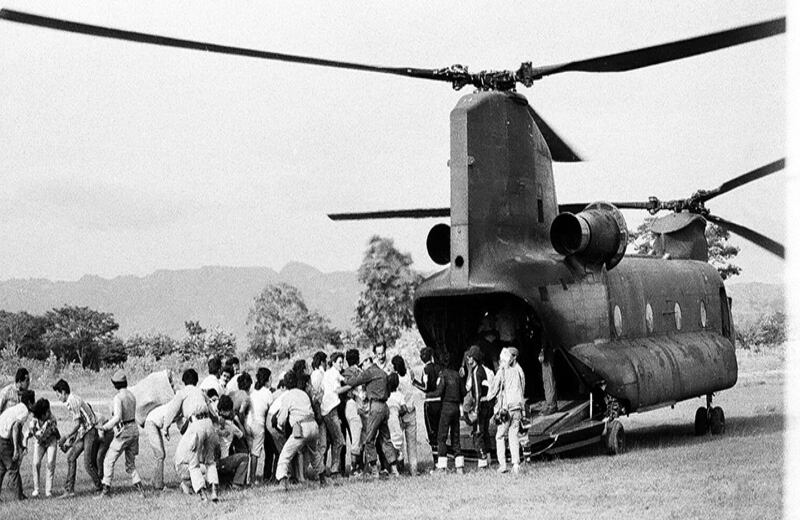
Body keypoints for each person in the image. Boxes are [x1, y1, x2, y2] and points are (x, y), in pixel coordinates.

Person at [164, 368, 220, 502]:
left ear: (184, 381)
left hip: (196, 425)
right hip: (208, 424)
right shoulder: (201, 392)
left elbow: (172, 411)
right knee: (210, 461)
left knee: (193, 462)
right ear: (196, 381)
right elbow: (213, 413)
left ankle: (202, 495)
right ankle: (214, 492)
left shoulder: (182, 393)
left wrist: (165, 427)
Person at [343, 355, 400, 477]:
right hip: (385, 407)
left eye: (362, 365)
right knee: (386, 439)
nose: (362, 368)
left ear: (365, 363)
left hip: (375, 407)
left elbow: (353, 381)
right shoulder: (382, 372)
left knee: (369, 439)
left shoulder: (369, 372)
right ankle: (394, 469)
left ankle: (374, 470)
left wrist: (345, 379)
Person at [96, 371, 145, 498]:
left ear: (116, 384)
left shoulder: (118, 398)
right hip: (134, 430)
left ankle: (106, 491)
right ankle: (141, 491)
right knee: (130, 464)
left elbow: (117, 417)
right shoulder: (131, 396)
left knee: (108, 460)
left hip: (124, 432)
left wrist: (105, 427)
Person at [274, 370, 325, 489]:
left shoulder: (287, 396)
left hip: (301, 428)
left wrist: (280, 427)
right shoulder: (303, 394)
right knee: (315, 453)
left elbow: (282, 419)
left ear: (285, 385)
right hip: (314, 426)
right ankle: (323, 479)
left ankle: (282, 482)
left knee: (285, 455)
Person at [53, 378, 103, 497]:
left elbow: (77, 424)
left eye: (58, 394)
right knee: (71, 458)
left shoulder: (72, 401)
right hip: (85, 432)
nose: (58, 397)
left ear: (64, 392)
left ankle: (101, 487)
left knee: (88, 464)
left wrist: (65, 436)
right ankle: (69, 490)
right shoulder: (71, 400)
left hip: (90, 431)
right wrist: (69, 443)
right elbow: (80, 426)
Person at [488, 347, 526, 474]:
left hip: (506, 409)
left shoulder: (501, 372)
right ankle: (516, 464)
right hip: (517, 408)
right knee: (513, 435)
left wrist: (487, 396)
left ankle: (503, 464)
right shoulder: (517, 371)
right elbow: (522, 388)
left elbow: (493, 391)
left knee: (500, 436)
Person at [430, 353, 466, 474]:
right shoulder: (457, 375)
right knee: (456, 436)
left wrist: (428, 395)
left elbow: (439, 391)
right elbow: (464, 392)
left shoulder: (443, 375)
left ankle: (442, 467)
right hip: (456, 408)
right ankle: (459, 467)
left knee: (442, 437)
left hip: (446, 407)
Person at [0, 389, 34, 501]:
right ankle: (19, 497)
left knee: (1, 468)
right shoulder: (24, 411)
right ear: (29, 403)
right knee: (13, 468)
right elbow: (15, 428)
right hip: (3, 438)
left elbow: (17, 430)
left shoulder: (18, 406)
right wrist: (15, 449)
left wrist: (21, 445)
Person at [465, 345, 495, 469]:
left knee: (478, 433)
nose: (468, 359)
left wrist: (475, 410)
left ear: (475, 358)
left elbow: (477, 392)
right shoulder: (483, 369)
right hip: (487, 405)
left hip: (480, 406)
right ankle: (488, 458)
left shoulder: (477, 372)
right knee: (485, 432)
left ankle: (482, 462)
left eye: (470, 357)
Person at [320, 352, 348, 477]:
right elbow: (338, 390)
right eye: (340, 362)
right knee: (339, 440)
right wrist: (351, 385)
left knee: (331, 441)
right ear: (334, 362)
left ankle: (327, 469)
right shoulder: (333, 374)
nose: (342, 365)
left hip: (328, 409)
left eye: (342, 362)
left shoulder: (330, 373)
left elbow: (343, 379)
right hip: (331, 410)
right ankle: (334, 469)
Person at [412, 347, 441, 462]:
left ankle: (436, 461)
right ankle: (443, 459)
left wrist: (414, 382)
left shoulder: (426, 369)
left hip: (430, 403)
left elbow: (425, 387)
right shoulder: (438, 368)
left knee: (432, 432)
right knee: (440, 430)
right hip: (439, 401)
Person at [391, 355, 418, 475]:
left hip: (401, 413)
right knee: (412, 443)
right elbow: (409, 369)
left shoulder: (396, 379)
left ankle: (400, 468)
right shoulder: (408, 374)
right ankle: (414, 469)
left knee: (399, 442)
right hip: (411, 411)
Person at [143, 401, 180, 491]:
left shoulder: (179, 408)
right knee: (160, 455)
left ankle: (155, 481)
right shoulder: (175, 408)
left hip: (154, 423)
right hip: (151, 423)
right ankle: (158, 485)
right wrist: (165, 431)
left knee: (160, 455)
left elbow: (181, 426)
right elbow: (166, 420)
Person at [27, 398, 60, 497]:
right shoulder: (35, 419)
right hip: (39, 442)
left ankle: (48, 490)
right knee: (36, 463)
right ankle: (36, 489)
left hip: (50, 441)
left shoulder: (52, 420)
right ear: (42, 414)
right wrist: (31, 432)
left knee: (50, 463)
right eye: (47, 411)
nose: (49, 412)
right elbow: (31, 431)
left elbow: (44, 434)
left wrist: (35, 433)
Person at [215, 395, 249, 488]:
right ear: (229, 411)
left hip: (211, 463)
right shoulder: (231, 425)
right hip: (222, 462)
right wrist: (237, 420)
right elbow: (243, 435)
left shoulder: (213, 422)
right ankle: (237, 483)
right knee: (245, 457)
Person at [246, 367, 274, 484]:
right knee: (255, 453)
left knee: (249, 451)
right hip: (259, 424)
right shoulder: (268, 393)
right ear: (267, 380)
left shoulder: (253, 391)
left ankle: (247, 477)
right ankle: (252, 479)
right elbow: (271, 411)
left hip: (248, 422)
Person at [342, 349, 365, 474]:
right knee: (357, 437)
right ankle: (355, 468)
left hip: (347, 406)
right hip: (356, 405)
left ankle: (356, 467)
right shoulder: (360, 372)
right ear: (358, 359)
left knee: (354, 437)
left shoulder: (344, 373)